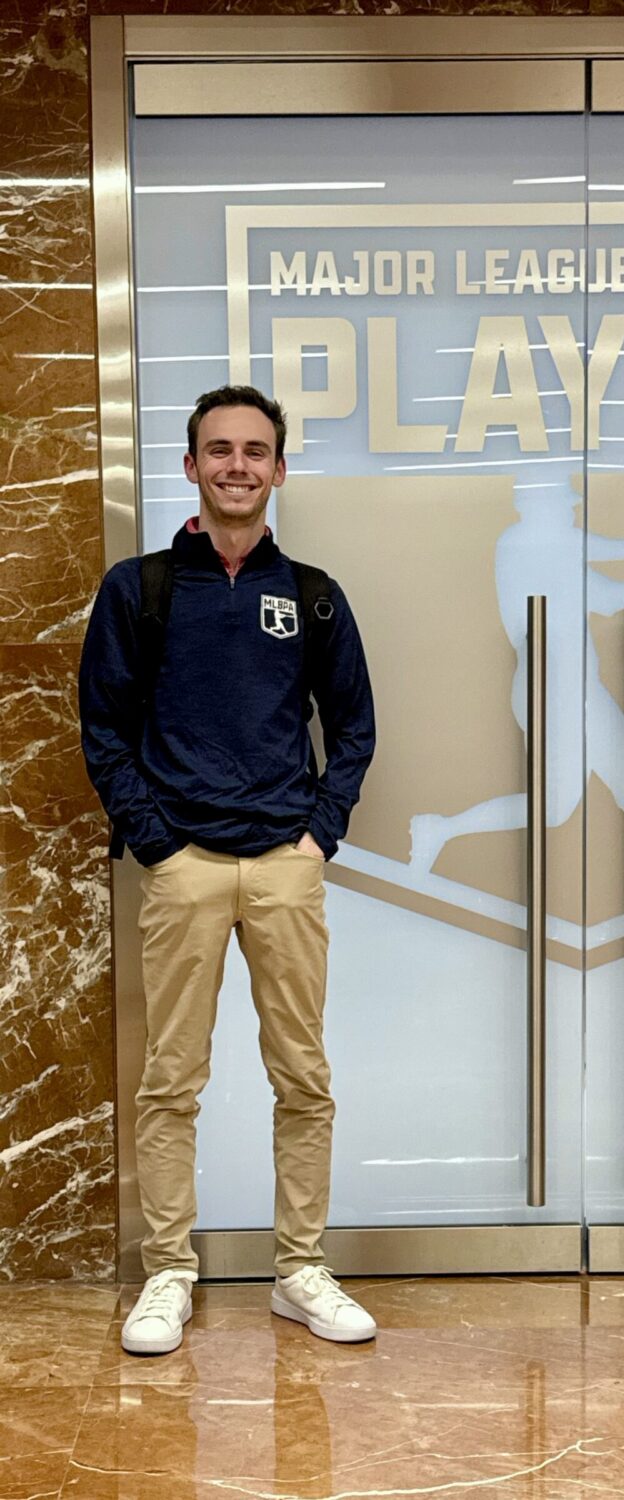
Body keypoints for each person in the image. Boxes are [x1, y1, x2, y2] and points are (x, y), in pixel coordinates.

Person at [78, 385, 376, 1355]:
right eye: (219, 450)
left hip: (285, 868)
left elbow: (356, 728)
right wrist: (157, 843)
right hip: (186, 869)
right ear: (192, 467)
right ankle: (167, 1272)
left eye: (255, 451)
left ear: (279, 470)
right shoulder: (142, 588)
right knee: (171, 1080)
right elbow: (105, 729)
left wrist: (317, 834)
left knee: (304, 1078)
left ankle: (300, 1270)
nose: (237, 465)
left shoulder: (314, 594)